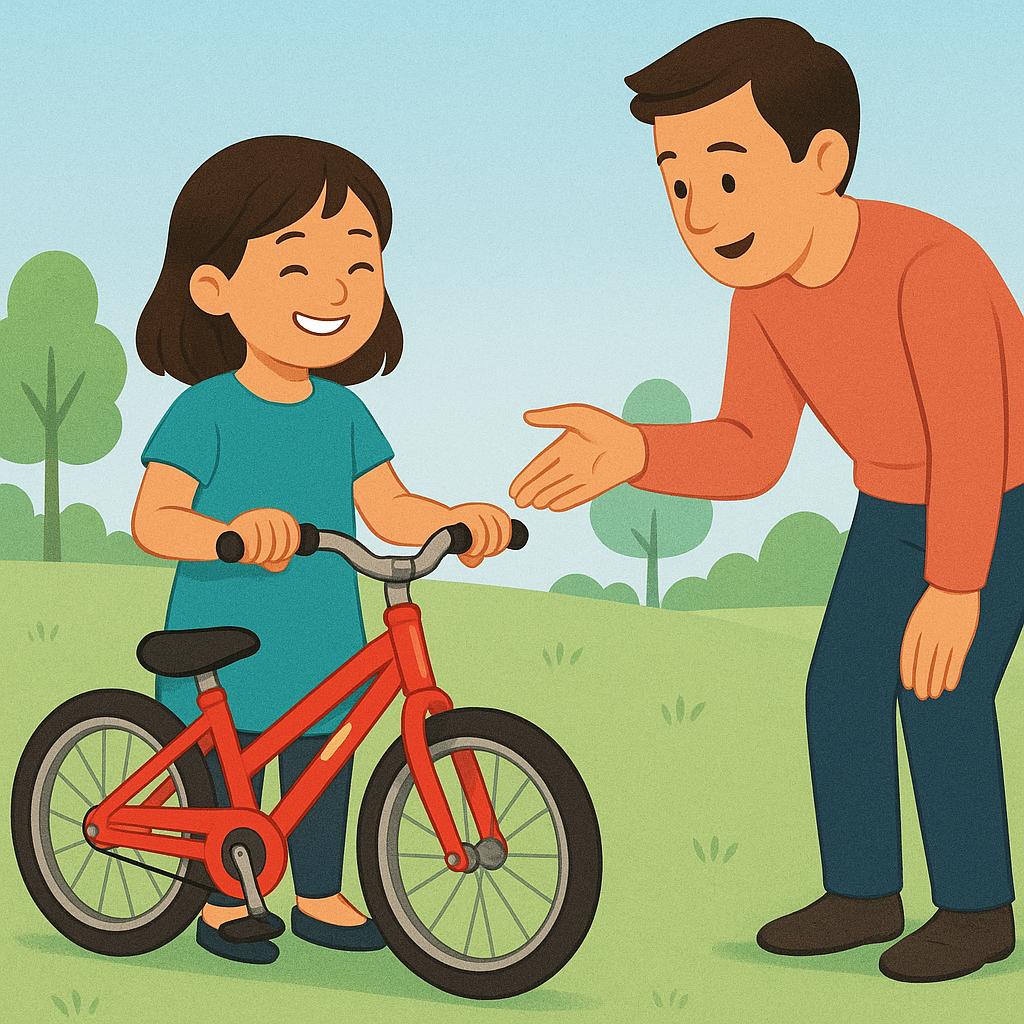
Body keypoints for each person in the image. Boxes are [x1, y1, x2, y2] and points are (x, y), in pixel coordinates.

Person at [510, 18, 1023, 984]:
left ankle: (976, 908)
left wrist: (957, 586)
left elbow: (973, 437)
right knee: (840, 687)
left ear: (822, 160)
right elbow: (751, 450)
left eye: (726, 175)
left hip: (1003, 497)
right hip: (894, 506)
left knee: (940, 688)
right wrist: (636, 449)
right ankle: (863, 893)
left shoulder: (932, 267)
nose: (699, 214)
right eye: (677, 184)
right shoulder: (764, 293)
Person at [133, 136, 513, 964]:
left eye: (359, 264)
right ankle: (222, 901)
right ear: (214, 288)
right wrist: (231, 536)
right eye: (296, 265)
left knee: (326, 758)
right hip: (227, 641)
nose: (334, 290)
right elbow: (154, 518)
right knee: (235, 776)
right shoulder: (207, 410)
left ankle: (318, 895)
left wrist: (455, 520)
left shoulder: (343, 412)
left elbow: (389, 505)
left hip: (322, 639)